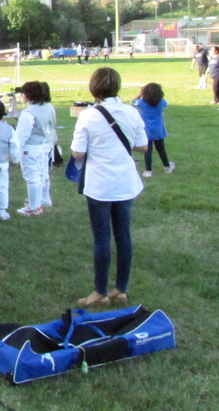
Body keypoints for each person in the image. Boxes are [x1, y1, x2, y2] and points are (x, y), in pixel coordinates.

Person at [71, 67, 148, 307]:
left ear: (94, 88)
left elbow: (77, 152)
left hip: (100, 185)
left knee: (102, 237)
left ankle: (100, 291)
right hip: (125, 182)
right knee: (123, 236)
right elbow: (142, 146)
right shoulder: (131, 112)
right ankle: (120, 289)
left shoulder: (88, 115)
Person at [15, 81, 54, 217]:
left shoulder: (28, 113)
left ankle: (33, 207)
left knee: (31, 177)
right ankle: (36, 204)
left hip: (30, 148)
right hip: (42, 146)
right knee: (39, 175)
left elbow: (21, 136)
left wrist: (14, 152)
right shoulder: (46, 108)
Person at [132, 83, 175, 178]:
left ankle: (148, 171)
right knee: (161, 149)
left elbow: (133, 102)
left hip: (146, 130)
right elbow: (166, 104)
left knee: (147, 151)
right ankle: (167, 166)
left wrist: (141, 93)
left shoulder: (142, 102)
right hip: (158, 130)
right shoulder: (162, 102)